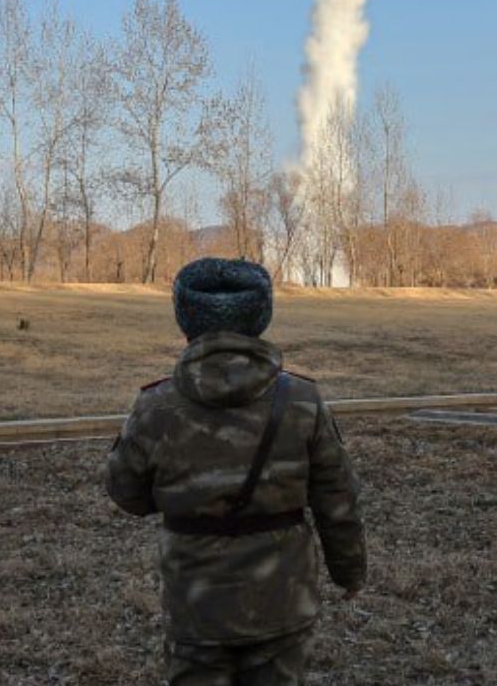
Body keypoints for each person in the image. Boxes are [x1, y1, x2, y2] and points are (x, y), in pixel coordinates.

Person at [106, 257, 367, 686]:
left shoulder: (156, 405)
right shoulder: (302, 400)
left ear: (184, 317)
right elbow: (337, 499)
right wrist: (349, 571)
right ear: (262, 316)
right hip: (282, 598)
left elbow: (126, 493)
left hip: (195, 603)